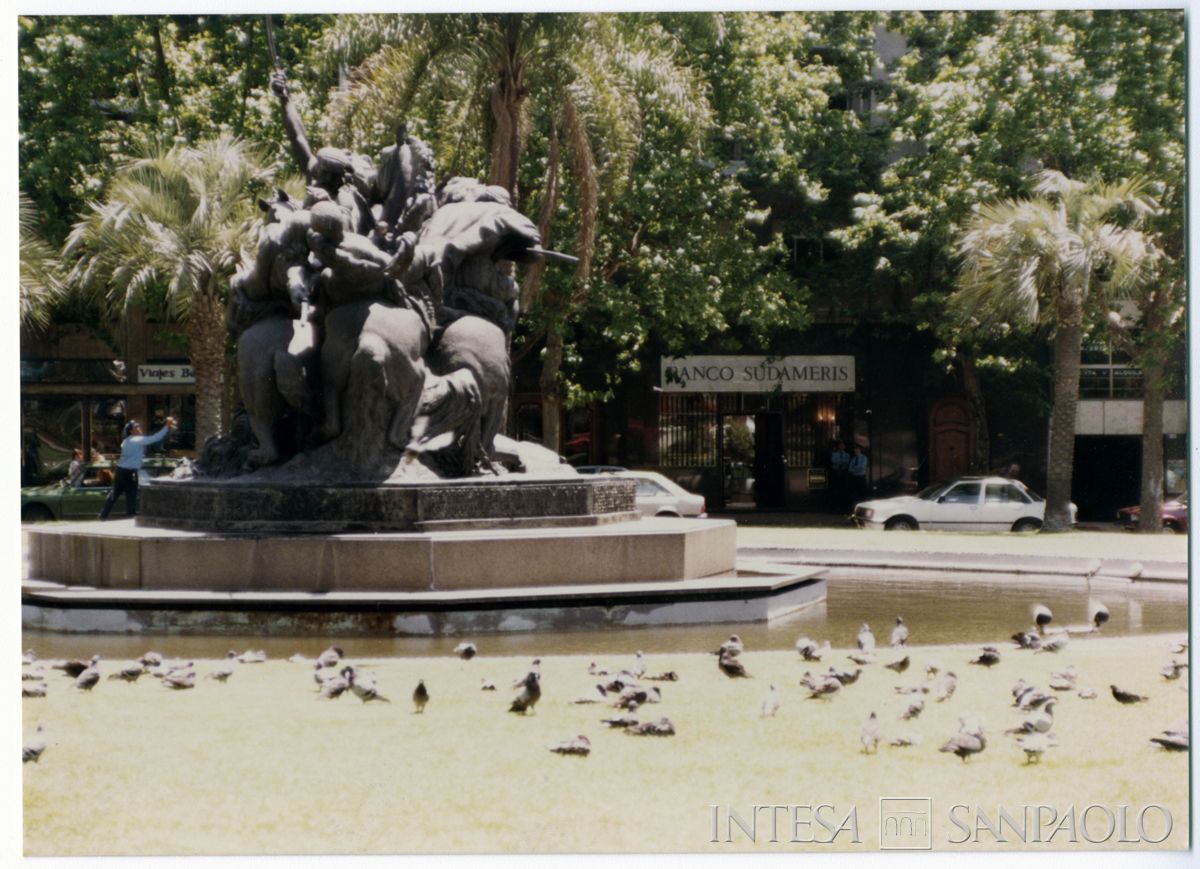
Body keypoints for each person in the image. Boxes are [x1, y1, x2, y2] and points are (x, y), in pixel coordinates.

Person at [98, 416, 177, 520]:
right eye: (136, 426)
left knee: (114, 494)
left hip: (120, 471)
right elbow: (156, 438)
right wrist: (167, 426)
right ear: (131, 431)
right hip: (130, 473)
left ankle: (103, 515)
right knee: (131, 496)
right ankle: (130, 518)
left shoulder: (126, 441)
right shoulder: (137, 440)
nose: (139, 427)